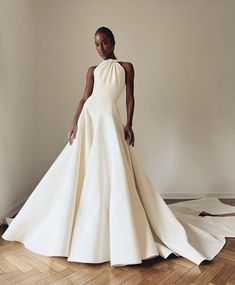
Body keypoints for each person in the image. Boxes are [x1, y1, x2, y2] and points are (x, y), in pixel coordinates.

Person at [2, 26, 235, 267]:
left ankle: (117, 225)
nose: (100, 48)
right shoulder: (92, 70)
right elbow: (84, 98)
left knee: (112, 166)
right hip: (90, 119)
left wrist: (129, 124)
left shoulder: (126, 67)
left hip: (109, 120)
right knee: (83, 168)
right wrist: (74, 122)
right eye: (96, 44)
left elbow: (130, 97)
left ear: (113, 42)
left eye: (104, 42)